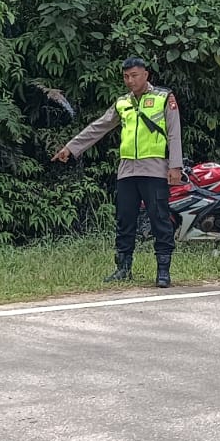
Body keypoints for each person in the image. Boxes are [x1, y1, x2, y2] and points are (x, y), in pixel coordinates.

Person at [53, 57, 184, 288]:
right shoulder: (123, 103)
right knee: (125, 220)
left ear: (146, 75)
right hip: (127, 170)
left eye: (134, 75)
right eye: (126, 76)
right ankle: (123, 268)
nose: (130, 80)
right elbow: (99, 127)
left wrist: (175, 167)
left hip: (154, 169)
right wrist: (72, 148)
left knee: (160, 220)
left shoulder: (164, 98)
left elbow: (174, 134)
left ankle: (163, 270)